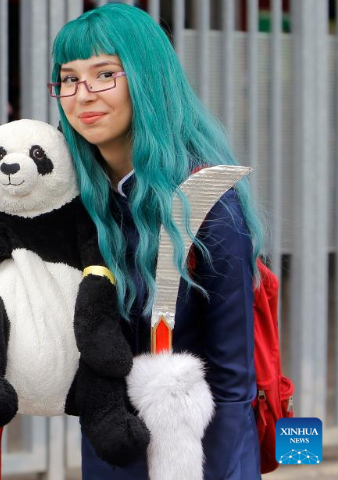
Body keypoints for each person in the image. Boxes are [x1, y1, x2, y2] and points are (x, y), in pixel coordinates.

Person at [50, 4, 264, 479]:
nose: (82, 95)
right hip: (107, 447)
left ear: (146, 78)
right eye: (68, 78)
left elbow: (233, 387)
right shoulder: (72, 199)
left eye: (104, 74)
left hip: (197, 454)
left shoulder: (207, 201)